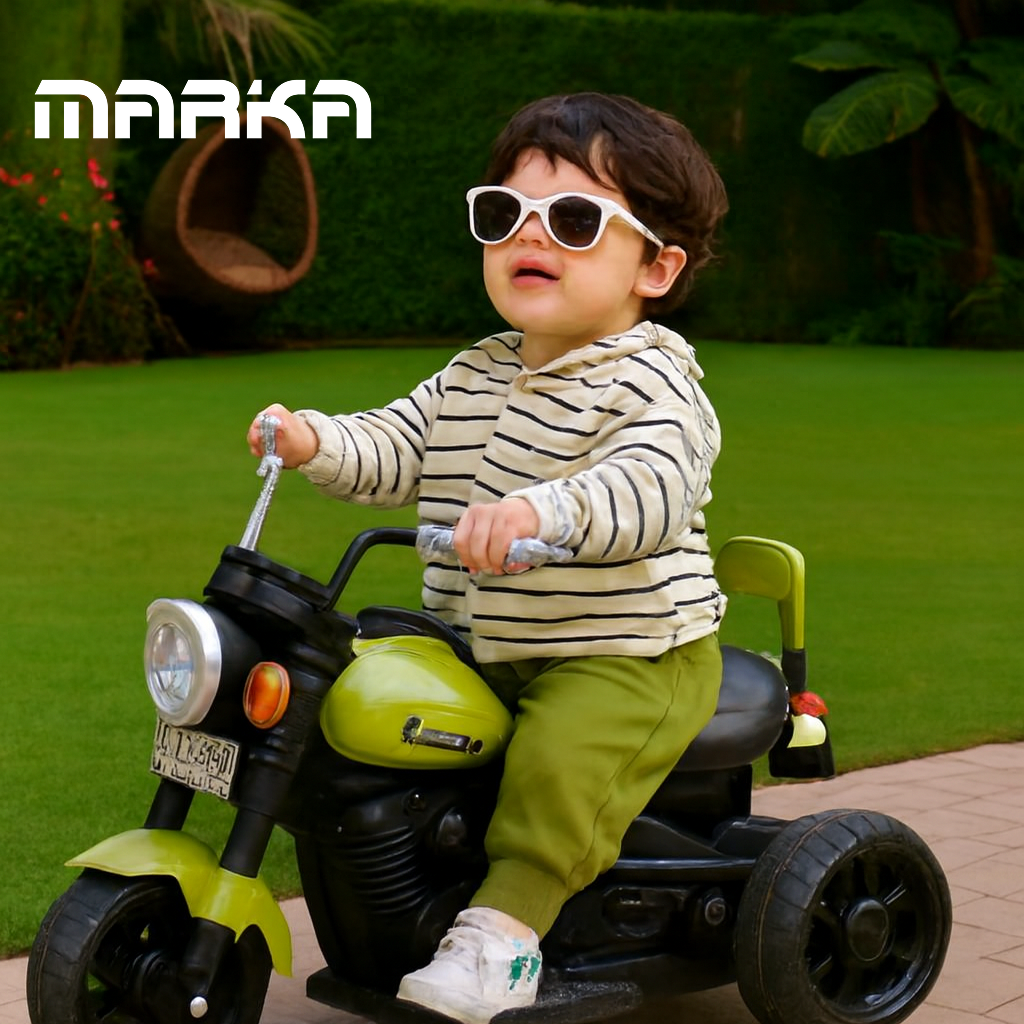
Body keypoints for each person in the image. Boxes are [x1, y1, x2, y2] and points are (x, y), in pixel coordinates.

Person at [247, 91, 729, 1024]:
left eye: (575, 219)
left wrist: (541, 508)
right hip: (483, 639)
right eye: (505, 213)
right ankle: (394, 877)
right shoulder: (478, 369)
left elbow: (648, 487)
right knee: (364, 690)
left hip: (624, 653)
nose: (529, 235)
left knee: (558, 761)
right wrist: (315, 440)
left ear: (656, 266)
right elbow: (399, 445)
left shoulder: (654, 383)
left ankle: (502, 939)